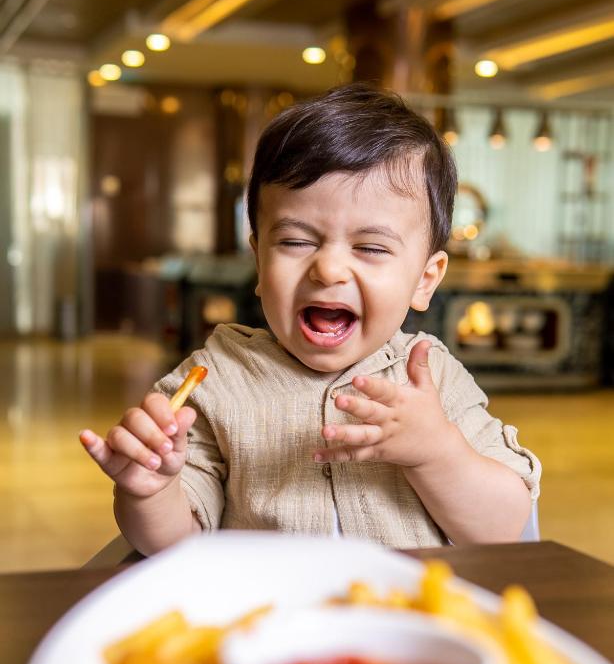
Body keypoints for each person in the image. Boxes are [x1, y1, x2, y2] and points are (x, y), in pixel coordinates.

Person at [79, 83, 540, 556]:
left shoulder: (432, 381)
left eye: (371, 248)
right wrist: (150, 490)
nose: (329, 269)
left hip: (405, 617)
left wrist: (438, 452)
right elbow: (176, 545)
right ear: (259, 261)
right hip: (271, 618)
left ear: (425, 279)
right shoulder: (214, 382)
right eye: (297, 241)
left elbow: (505, 530)